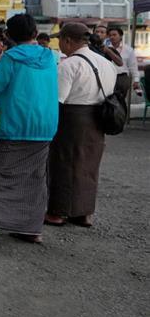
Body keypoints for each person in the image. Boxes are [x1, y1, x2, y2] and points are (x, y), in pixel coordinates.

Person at [0, 13, 58, 248]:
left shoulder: (11, 57)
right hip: (44, 127)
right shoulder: (50, 56)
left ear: (8, 36)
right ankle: (32, 229)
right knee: (35, 178)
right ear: (35, 33)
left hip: (15, 126)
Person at [46, 22, 116, 229]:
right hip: (98, 119)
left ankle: (58, 212)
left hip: (72, 119)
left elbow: (58, 99)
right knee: (88, 166)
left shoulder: (69, 65)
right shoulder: (106, 63)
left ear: (67, 40)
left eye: (60, 40)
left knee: (64, 164)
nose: (59, 44)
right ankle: (84, 213)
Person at [107, 26, 141, 105]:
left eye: (114, 35)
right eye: (110, 35)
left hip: (122, 79)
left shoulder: (128, 49)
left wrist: (136, 80)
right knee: (108, 101)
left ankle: (122, 113)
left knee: (120, 101)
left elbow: (133, 66)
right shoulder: (106, 49)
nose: (112, 37)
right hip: (108, 78)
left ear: (121, 36)